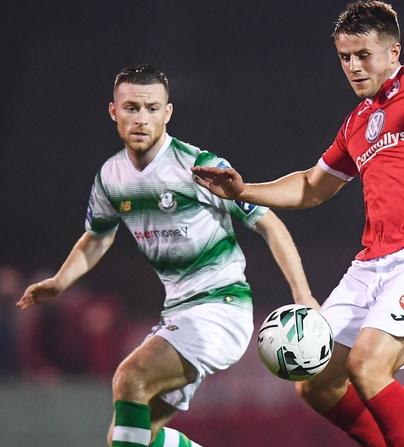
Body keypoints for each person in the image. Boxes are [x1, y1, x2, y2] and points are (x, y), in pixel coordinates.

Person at [191, 1, 404, 447]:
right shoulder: (357, 123)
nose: (352, 66)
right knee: (314, 381)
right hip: (371, 263)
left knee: (368, 365)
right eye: (345, 58)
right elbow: (312, 187)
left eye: (362, 55)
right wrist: (243, 191)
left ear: (394, 52)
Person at [16, 64, 318, 447]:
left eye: (152, 108)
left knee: (130, 377)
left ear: (167, 112)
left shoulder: (200, 167)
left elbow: (268, 223)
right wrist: (60, 282)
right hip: (177, 312)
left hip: (221, 307)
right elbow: (97, 238)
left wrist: (303, 295)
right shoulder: (111, 178)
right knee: (131, 436)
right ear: (114, 111)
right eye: (131, 108)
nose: (141, 119)